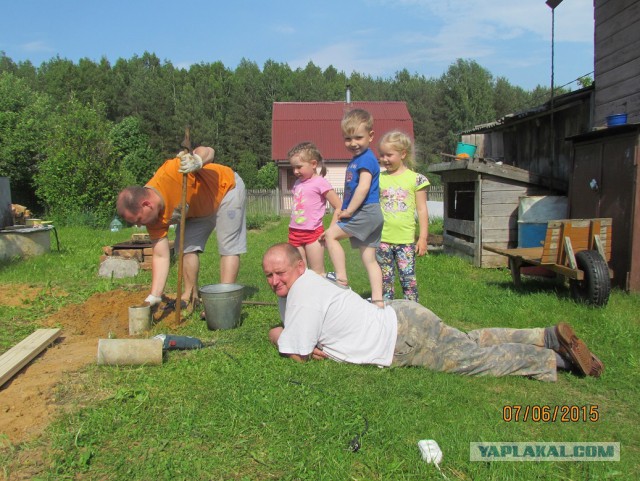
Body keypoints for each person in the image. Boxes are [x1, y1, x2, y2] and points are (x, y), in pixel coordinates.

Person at [263, 243, 604, 381]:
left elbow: (299, 353)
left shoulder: (303, 293)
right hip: (402, 316)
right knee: (469, 340)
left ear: (300, 264)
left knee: (473, 361)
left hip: (400, 340)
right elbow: (299, 334)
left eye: (281, 272)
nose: (275, 280)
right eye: (269, 274)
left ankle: (557, 360)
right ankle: (543, 336)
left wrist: (276, 335)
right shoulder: (306, 282)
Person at [117, 146, 247, 309]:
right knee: (185, 247)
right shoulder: (152, 218)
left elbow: (209, 150)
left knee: (228, 246)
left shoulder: (172, 172)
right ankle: (190, 296)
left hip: (227, 188)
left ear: (146, 204)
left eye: (138, 220)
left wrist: (197, 160)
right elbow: (160, 256)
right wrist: (154, 295)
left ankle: (224, 301)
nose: (138, 225)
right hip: (197, 208)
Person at [322, 108, 384, 306]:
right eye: (348, 139)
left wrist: (349, 211)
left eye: (358, 137)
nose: (353, 143)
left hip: (364, 211)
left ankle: (341, 278)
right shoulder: (358, 160)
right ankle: (378, 300)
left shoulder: (366, 159)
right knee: (369, 259)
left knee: (331, 236)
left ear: (371, 136)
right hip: (372, 213)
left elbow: (363, 187)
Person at [376, 130, 429, 302]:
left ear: (403, 154)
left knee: (408, 280)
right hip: (382, 239)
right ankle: (385, 314)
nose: (385, 159)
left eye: (389, 155)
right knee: (385, 281)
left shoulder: (416, 179)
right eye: (382, 155)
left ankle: (412, 313)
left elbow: (421, 210)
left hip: (405, 241)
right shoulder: (378, 178)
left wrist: (423, 238)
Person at [287, 142, 342, 275]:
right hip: (294, 232)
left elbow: (339, 206)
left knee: (317, 272)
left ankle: (320, 295)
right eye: (293, 168)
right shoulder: (297, 183)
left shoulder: (320, 182)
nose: (295, 171)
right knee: (300, 271)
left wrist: (331, 230)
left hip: (313, 234)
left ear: (313, 164)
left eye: (299, 167)